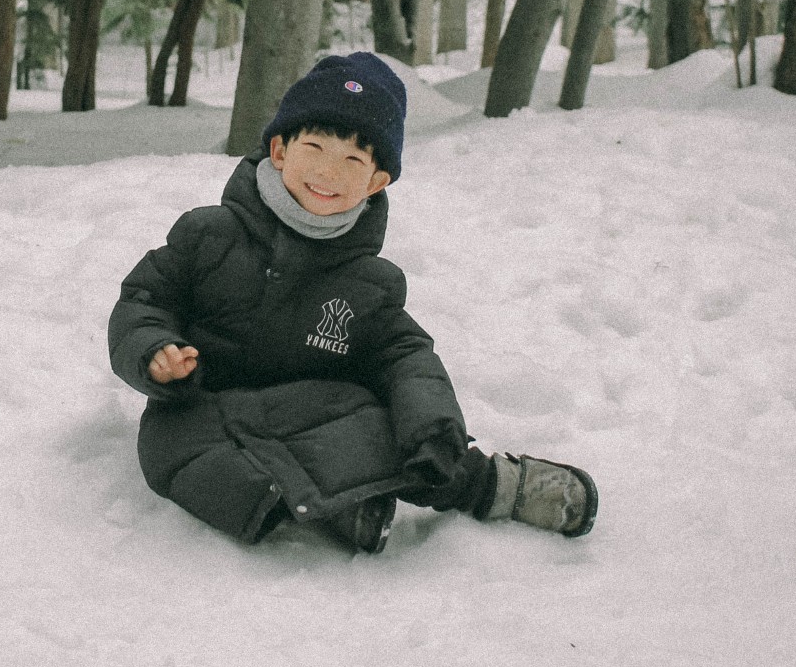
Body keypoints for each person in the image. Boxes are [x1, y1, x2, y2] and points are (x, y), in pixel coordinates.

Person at [107, 52, 597, 554]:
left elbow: (405, 357)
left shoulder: (370, 283)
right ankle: (344, 507)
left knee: (401, 436)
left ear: (376, 181)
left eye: (353, 161)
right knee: (176, 454)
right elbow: (145, 298)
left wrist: (435, 426)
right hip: (207, 408)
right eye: (314, 147)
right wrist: (155, 351)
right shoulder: (208, 234)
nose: (328, 172)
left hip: (321, 412)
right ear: (279, 150)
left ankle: (495, 486)